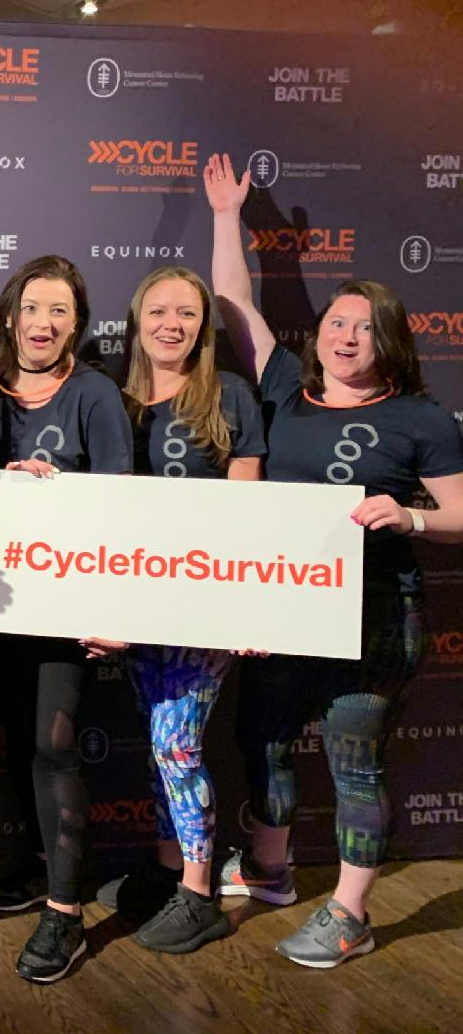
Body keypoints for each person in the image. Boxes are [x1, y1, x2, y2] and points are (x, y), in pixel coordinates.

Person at [204, 151, 463, 967]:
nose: (346, 336)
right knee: (267, 743)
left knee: (355, 762)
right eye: (337, 323)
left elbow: (462, 510)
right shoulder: (282, 387)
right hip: (285, 612)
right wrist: (226, 218)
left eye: (363, 326)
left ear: (389, 341)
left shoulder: (421, 417)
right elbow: (234, 302)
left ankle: (352, 913)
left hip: (376, 619)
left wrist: (412, 517)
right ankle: (271, 869)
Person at [0, 254, 133, 983]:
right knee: (16, 743)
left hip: (64, 608)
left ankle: (65, 911)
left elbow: (120, 501)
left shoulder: (94, 393)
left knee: (54, 748)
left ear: (77, 325)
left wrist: (58, 494)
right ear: (10, 314)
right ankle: (36, 866)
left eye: (61, 311)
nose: (44, 322)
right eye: (34, 307)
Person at [89, 265, 265, 954]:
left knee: (177, 743)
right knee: (158, 744)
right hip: (135, 609)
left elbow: (249, 516)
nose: (172, 324)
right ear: (137, 322)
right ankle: (167, 870)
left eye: (187, 313)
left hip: (203, 608)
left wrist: (243, 610)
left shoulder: (230, 398)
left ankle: (200, 891)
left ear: (203, 325)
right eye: (158, 311)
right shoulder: (113, 400)